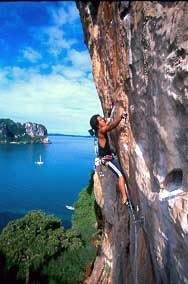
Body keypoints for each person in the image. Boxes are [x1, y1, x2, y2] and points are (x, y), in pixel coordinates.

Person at [89, 113, 129, 206]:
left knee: (120, 173)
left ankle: (124, 196)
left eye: (102, 118)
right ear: (97, 125)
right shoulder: (101, 131)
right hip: (106, 159)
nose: (103, 119)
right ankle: (124, 198)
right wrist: (120, 117)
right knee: (120, 175)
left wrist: (107, 120)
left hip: (108, 156)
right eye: (101, 119)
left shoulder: (99, 130)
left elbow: (107, 124)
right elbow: (112, 126)